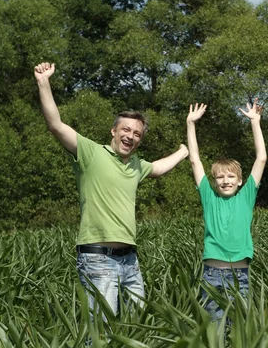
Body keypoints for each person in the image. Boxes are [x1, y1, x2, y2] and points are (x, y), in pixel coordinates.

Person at [34, 62, 190, 317]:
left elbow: (160, 168)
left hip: (130, 259)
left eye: (137, 133)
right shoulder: (91, 153)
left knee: (137, 325)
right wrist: (43, 82)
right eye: (126, 130)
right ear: (114, 131)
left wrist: (183, 152)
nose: (130, 136)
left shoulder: (138, 166)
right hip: (97, 259)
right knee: (100, 330)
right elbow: (56, 125)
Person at [186, 99, 266, 322]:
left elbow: (261, 158)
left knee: (240, 330)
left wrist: (255, 123)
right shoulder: (209, 197)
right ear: (214, 181)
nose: (225, 180)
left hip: (241, 275)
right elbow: (194, 160)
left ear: (240, 181)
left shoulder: (247, 196)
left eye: (231, 176)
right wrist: (191, 124)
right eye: (220, 177)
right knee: (214, 331)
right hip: (212, 275)